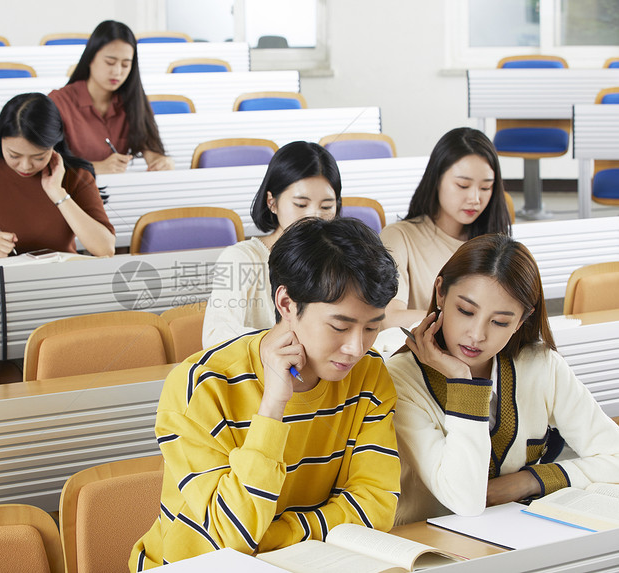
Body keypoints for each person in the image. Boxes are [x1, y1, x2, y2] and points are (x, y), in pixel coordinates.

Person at [130, 217, 401, 569]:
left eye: (372, 327)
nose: (355, 347)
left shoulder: (369, 374)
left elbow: (377, 504)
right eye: (340, 325)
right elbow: (231, 537)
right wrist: (272, 406)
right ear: (286, 304)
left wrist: (271, 539)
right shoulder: (201, 386)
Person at [387, 234, 619, 525]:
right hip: (429, 550)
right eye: (466, 311)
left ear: (522, 320)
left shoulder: (540, 364)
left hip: (518, 535)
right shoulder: (400, 378)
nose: (477, 334)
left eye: (500, 322)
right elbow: (466, 500)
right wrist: (462, 381)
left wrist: (529, 481)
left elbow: (614, 455)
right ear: (441, 293)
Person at [0, 92, 115, 266]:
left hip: (61, 281)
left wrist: (57, 192)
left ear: (54, 145)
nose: (25, 166)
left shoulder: (75, 175)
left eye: (39, 157)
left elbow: (105, 249)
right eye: (14, 155)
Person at [201, 141, 342, 348]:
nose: (314, 216)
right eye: (301, 204)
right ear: (272, 202)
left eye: (327, 206)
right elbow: (216, 335)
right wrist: (292, 342)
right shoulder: (241, 258)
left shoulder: (339, 259)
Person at [380, 127, 511, 329]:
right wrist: (463, 319)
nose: (475, 199)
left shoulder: (497, 247)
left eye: (486, 188)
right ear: (437, 180)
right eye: (462, 185)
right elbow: (390, 318)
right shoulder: (399, 237)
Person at [49, 20, 173, 174]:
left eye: (125, 64)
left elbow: (150, 146)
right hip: (69, 193)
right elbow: (45, 163)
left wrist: (160, 161)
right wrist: (95, 168)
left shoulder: (131, 101)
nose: (117, 72)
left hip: (114, 192)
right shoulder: (58, 102)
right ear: (90, 59)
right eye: (110, 62)